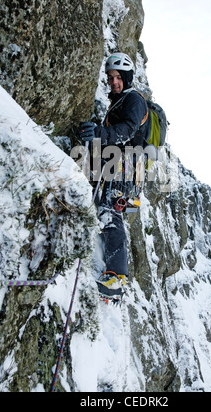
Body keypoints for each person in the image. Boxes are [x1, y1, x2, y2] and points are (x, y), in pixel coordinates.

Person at [79, 52, 151, 300]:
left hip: (126, 168)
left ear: (128, 77)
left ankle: (117, 277)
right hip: (118, 166)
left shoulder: (134, 101)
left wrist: (100, 133)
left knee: (111, 211)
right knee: (106, 209)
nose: (114, 82)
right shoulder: (119, 101)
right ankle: (109, 266)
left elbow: (127, 130)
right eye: (110, 78)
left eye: (118, 77)